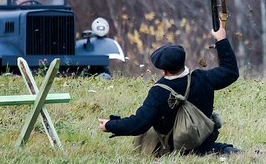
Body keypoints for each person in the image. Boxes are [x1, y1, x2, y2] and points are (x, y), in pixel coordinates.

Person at [98, 24, 240, 155]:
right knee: (214, 149)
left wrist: (110, 125)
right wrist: (221, 39)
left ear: (163, 69)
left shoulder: (159, 92)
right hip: (204, 138)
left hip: (175, 147)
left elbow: (138, 124)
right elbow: (230, 71)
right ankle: (225, 151)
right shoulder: (203, 78)